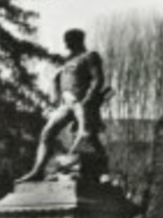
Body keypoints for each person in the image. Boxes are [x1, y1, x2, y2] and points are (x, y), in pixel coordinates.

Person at [18, 28, 110, 182]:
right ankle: (37, 170)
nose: (66, 45)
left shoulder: (90, 57)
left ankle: (103, 172)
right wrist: (56, 97)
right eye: (66, 42)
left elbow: (98, 80)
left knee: (89, 137)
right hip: (66, 105)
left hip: (83, 103)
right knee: (47, 133)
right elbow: (60, 81)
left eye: (68, 42)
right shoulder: (67, 62)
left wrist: (88, 100)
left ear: (77, 41)